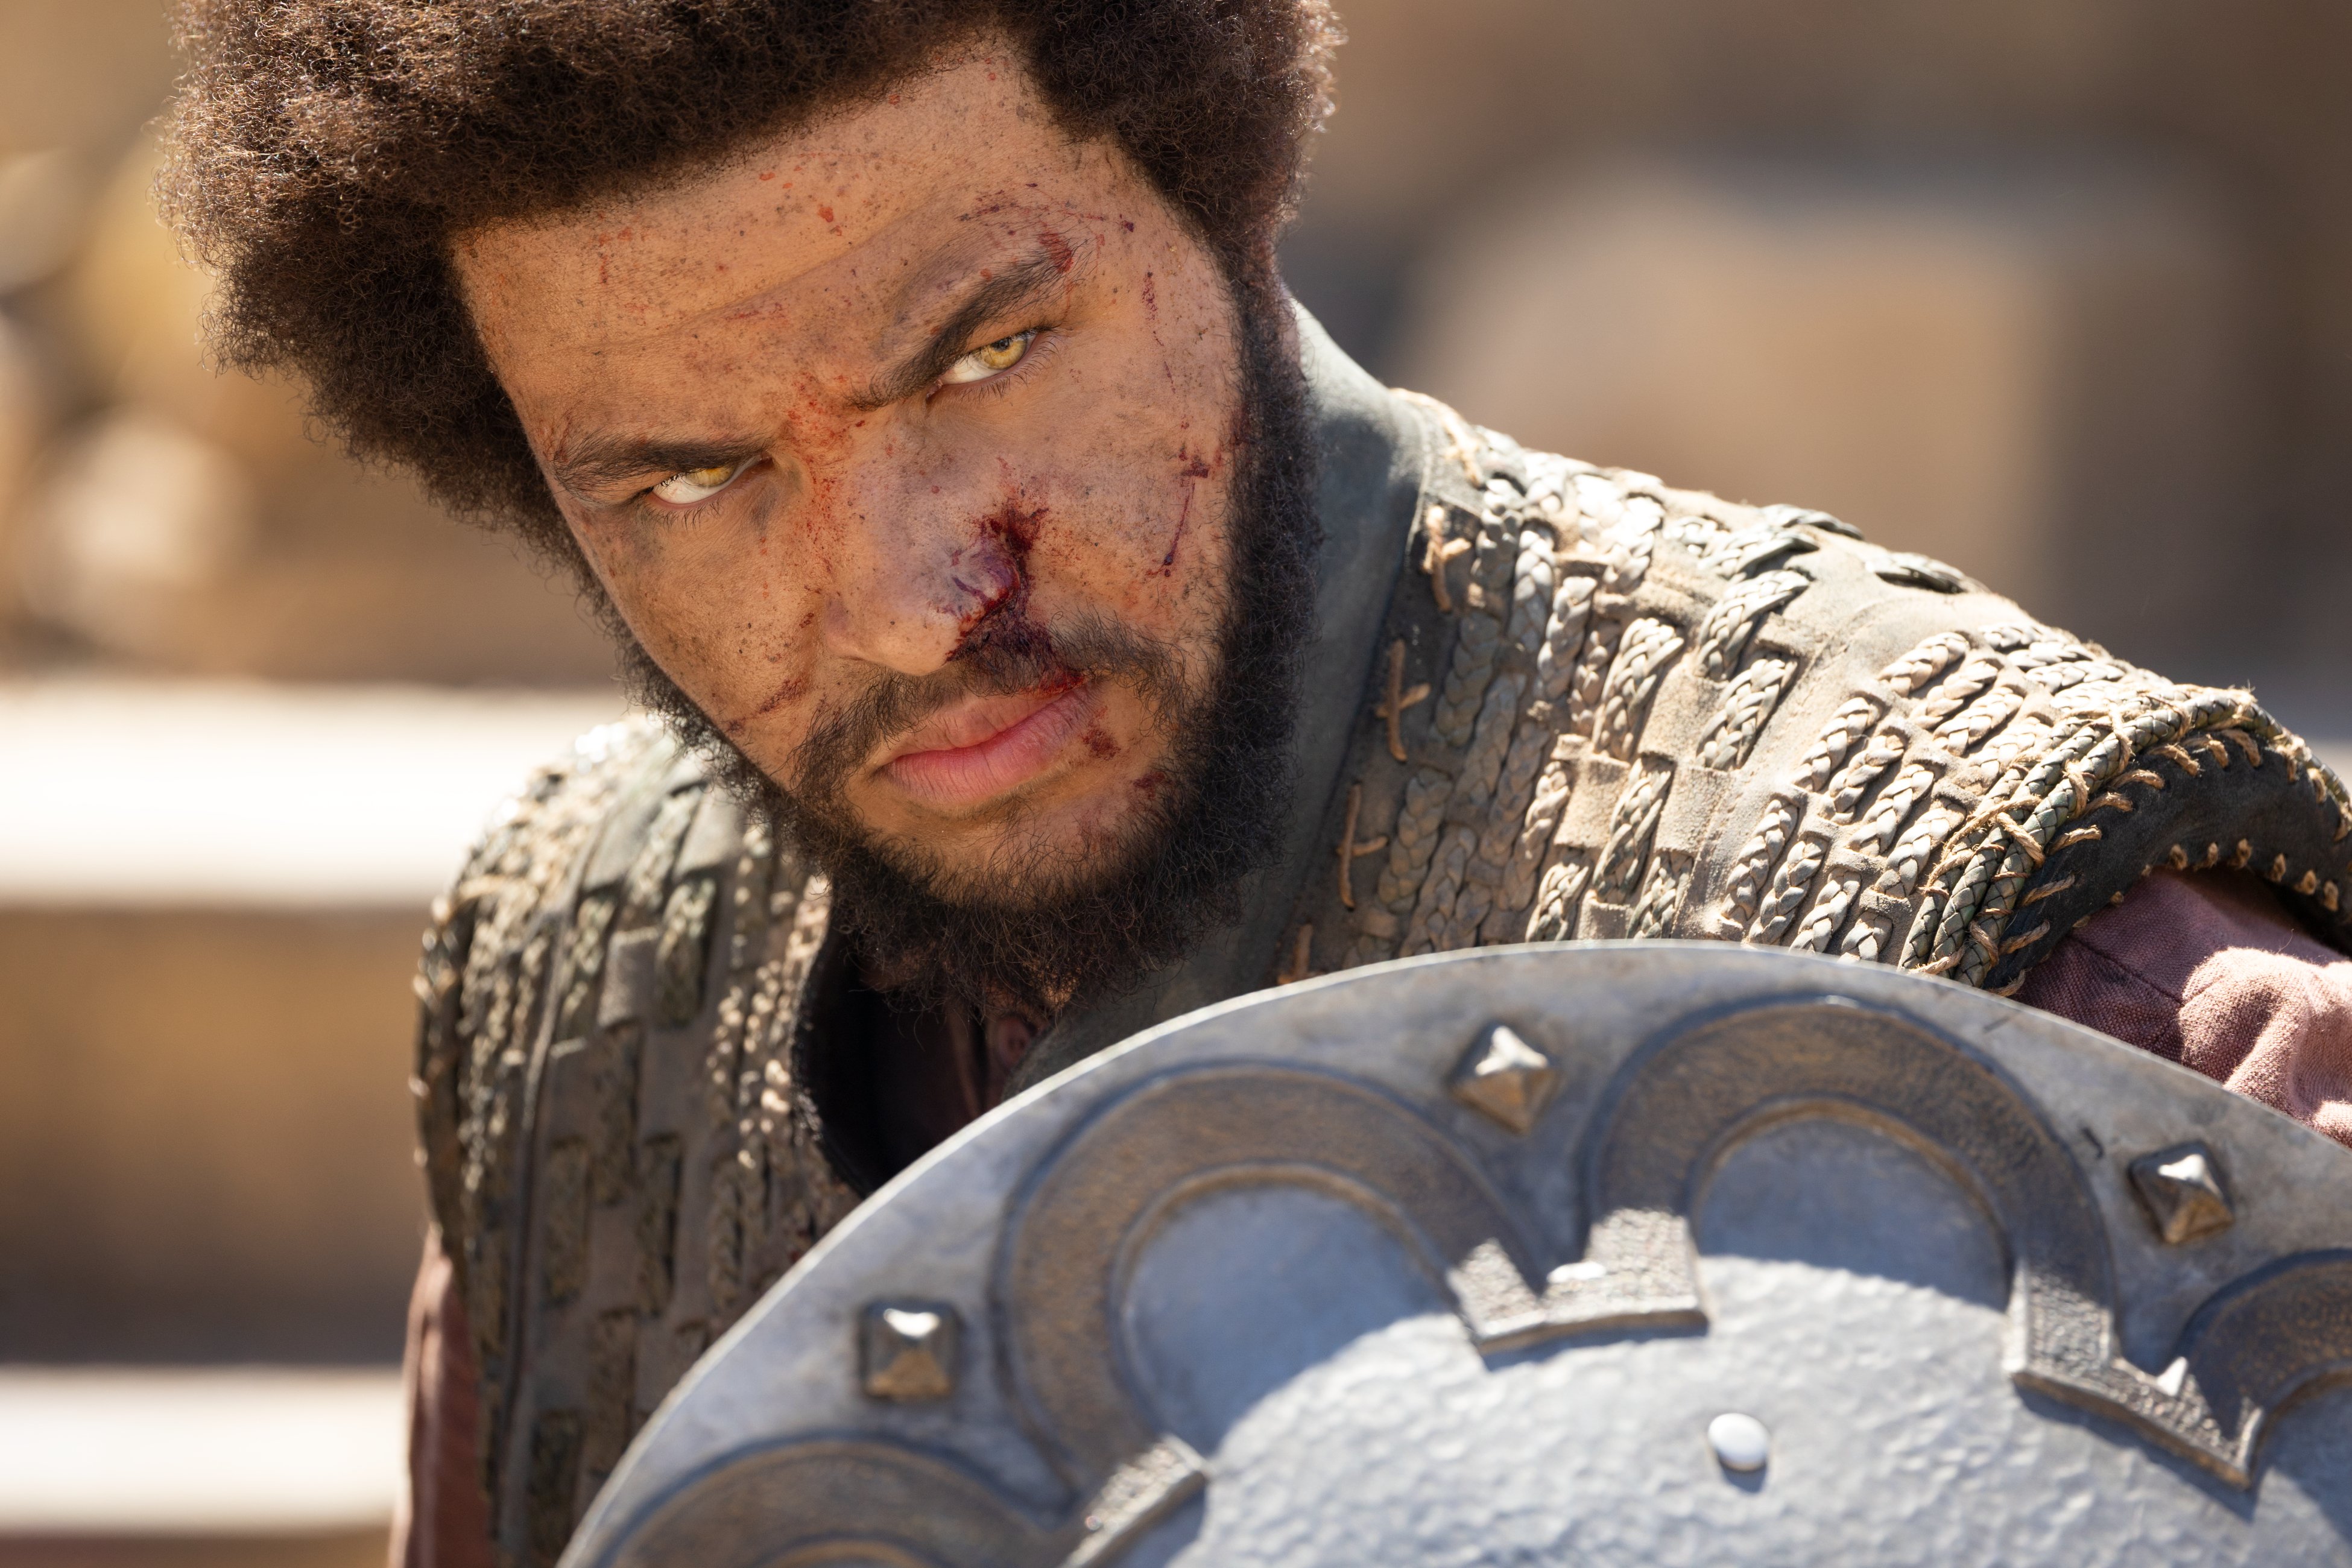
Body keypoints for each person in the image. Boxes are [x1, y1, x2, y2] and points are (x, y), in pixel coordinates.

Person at [159, 3, 2352, 1562]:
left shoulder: (2045, 975)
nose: (919, 597)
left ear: (1220, 191)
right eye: (693, 479)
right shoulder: (577, 1017)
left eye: (988, 353)